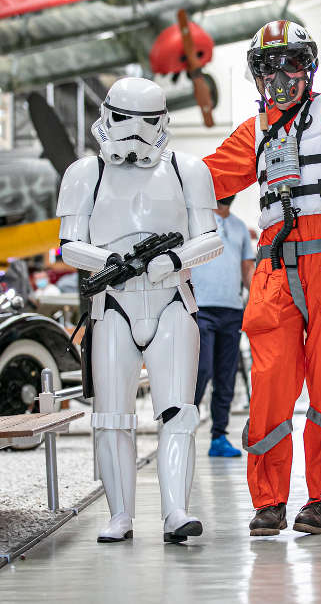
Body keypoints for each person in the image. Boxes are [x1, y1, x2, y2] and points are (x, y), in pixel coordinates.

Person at [203, 20, 321, 536]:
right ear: (256, 75)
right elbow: (205, 177)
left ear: (308, 66)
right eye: (267, 66)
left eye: (289, 63)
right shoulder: (254, 132)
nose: (279, 75)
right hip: (275, 268)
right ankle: (269, 502)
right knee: (269, 387)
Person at [57, 77, 223, 543]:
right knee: (112, 415)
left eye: (145, 122)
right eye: (124, 121)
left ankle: (176, 511)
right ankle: (120, 515)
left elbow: (209, 238)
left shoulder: (188, 169)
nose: (133, 133)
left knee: (179, 413)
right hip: (113, 304)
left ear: (163, 121)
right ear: (107, 116)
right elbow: (70, 246)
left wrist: (172, 260)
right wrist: (110, 262)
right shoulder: (84, 174)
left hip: (171, 299)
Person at [192, 194, 255, 458]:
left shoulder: (240, 227)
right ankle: (182, 430)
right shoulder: (196, 224)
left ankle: (219, 436)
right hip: (200, 308)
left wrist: (257, 301)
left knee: (226, 376)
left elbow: (247, 270)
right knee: (201, 370)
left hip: (231, 309)